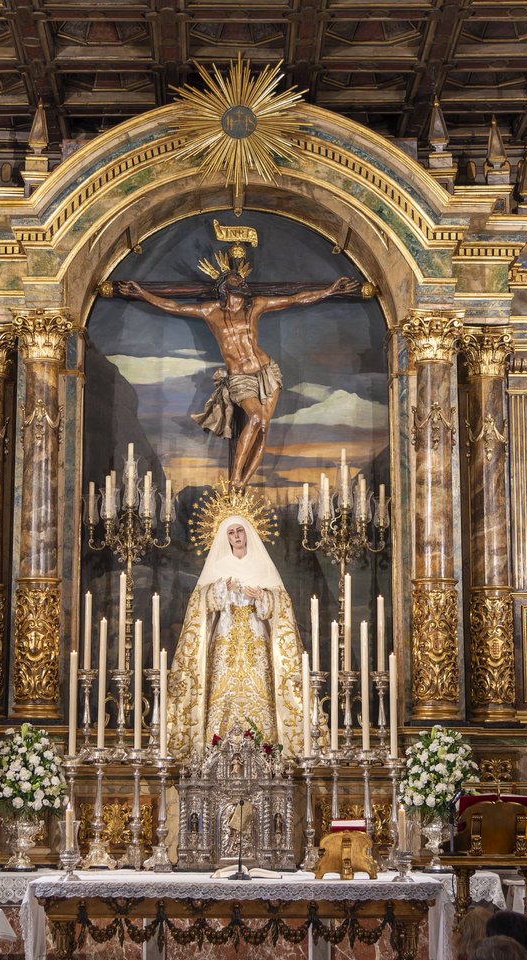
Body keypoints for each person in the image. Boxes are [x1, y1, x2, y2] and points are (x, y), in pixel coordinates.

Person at [119, 266, 358, 486]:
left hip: (267, 371)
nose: (239, 298)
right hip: (240, 378)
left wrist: (329, 291)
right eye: (235, 292)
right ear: (224, 291)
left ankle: (242, 485)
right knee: (254, 418)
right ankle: (234, 480)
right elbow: (175, 306)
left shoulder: (255, 306)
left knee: (263, 426)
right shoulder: (210, 311)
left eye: (241, 292)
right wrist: (142, 294)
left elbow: (294, 299)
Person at [164, 514, 306, 758]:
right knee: (223, 689)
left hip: (256, 639)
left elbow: (282, 604)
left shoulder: (262, 566)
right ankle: (216, 749)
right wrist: (219, 590)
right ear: (225, 537)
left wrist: (263, 597)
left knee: (259, 688)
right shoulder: (218, 566)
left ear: (248, 533)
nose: (237, 536)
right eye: (231, 532)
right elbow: (198, 603)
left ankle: (264, 750)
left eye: (240, 530)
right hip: (225, 639)